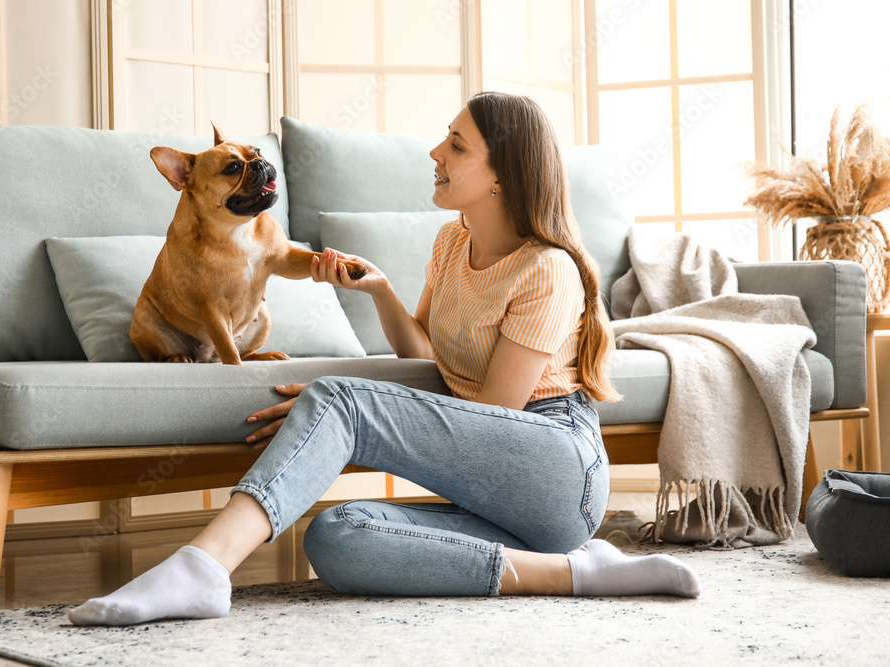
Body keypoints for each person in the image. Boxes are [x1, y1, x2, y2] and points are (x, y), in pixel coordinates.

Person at [68, 92, 700, 626]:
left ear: (501, 173)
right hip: (499, 489)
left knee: (340, 395)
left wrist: (350, 422)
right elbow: (422, 352)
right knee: (335, 536)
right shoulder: (454, 242)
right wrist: (380, 291)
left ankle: (202, 566)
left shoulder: (547, 269)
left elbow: (493, 415)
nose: (435, 154)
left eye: (455, 145)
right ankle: (575, 571)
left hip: (555, 466)